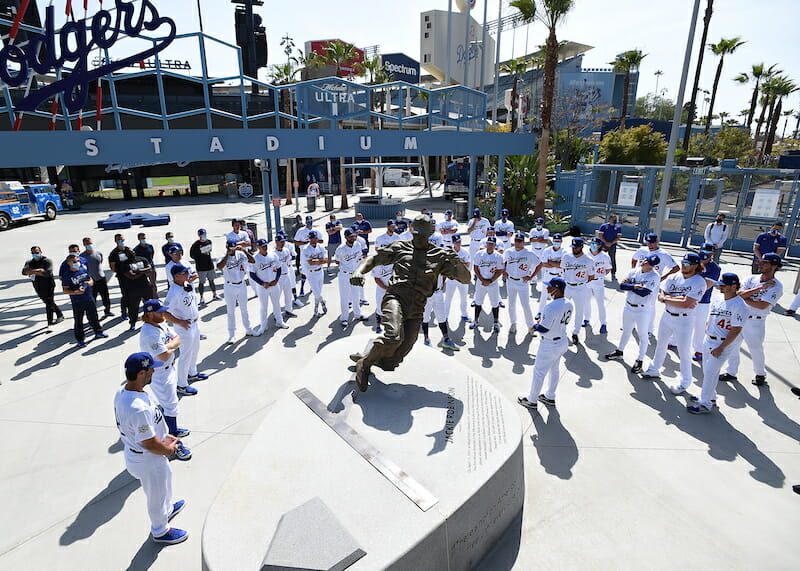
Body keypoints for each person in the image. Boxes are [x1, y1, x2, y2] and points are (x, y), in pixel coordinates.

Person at [347, 215, 471, 392]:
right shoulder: (401, 247)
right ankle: (364, 364)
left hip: (417, 308)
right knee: (393, 336)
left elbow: (466, 279)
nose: (418, 238)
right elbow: (374, 259)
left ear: (430, 233)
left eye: (422, 235)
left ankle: (372, 356)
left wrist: (456, 262)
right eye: (415, 234)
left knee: (393, 361)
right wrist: (358, 272)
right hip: (395, 299)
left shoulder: (439, 255)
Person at [114, 352, 188, 545]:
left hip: (149, 454)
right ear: (140, 373)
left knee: (166, 480)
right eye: (150, 369)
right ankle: (160, 530)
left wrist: (164, 437)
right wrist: (169, 449)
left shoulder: (124, 391)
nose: (154, 371)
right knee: (156, 494)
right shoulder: (136, 408)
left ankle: (168, 509)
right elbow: (149, 443)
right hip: (148, 458)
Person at [642, 254, 707, 395]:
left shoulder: (699, 282)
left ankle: (685, 382)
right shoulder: (674, 277)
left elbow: (687, 303)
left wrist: (668, 298)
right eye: (683, 262)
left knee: (683, 352)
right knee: (661, 345)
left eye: (688, 263)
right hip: (667, 316)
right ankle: (654, 369)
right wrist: (672, 298)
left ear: (696, 265)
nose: (684, 265)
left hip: (684, 320)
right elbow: (662, 293)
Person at [720, 253, 784, 386]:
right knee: (733, 345)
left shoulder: (777, 286)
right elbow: (738, 294)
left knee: (755, 349)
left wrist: (745, 297)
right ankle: (731, 372)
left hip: (756, 321)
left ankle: (760, 374)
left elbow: (762, 305)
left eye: (764, 262)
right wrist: (759, 289)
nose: (759, 264)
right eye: (760, 261)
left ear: (774, 266)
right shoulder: (751, 279)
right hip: (739, 318)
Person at [686, 273, 746, 414]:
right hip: (709, 340)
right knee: (707, 371)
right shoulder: (718, 299)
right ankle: (710, 397)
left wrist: (721, 347)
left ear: (733, 286)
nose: (721, 287)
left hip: (722, 344)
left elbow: (736, 330)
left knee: (710, 373)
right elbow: (712, 318)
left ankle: (705, 404)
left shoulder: (740, 306)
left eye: (724, 285)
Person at [139, 300, 192, 459]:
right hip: (160, 373)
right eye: (159, 312)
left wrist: (169, 346)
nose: (163, 314)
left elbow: (177, 338)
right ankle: (172, 440)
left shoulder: (159, 324)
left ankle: (172, 429)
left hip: (169, 369)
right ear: (149, 314)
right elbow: (163, 355)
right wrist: (170, 346)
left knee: (171, 403)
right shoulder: (149, 333)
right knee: (170, 405)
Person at [517, 278, 573, 410]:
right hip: (562, 341)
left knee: (539, 372)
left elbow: (544, 328)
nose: (547, 289)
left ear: (557, 289)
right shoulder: (569, 303)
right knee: (554, 370)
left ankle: (531, 400)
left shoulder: (550, 306)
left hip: (549, 344)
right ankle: (550, 396)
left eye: (550, 287)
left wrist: (535, 326)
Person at [605, 254, 661, 373]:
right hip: (628, 306)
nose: (645, 262)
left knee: (642, 335)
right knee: (626, 330)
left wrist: (631, 286)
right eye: (646, 260)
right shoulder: (635, 271)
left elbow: (644, 292)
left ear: (652, 266)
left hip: (643, 310)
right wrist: (634, 286)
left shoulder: (654, 276)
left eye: (648, 263)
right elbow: (621, 285)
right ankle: (619, 351)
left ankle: (640, 360)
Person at [164, 265, 204, 396]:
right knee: (185, 355)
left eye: (187, 271)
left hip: (194, 324)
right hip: (184, 327)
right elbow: (164, 312)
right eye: (184, 272)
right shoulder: (173, 292)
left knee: (195, 349)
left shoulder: (186, 284)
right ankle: (181, 385)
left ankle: (192, 373)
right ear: (176, 276)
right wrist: (179, 322)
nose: (188, 273)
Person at [631, 233, 679, 336]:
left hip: (653, 283)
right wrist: (633, 272)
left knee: (650, 306)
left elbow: (676, 268)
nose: (650, 245)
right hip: (639, 281)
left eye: (652, 242)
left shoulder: (663, 254)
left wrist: (663, 277)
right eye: (648, 242)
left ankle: (649, 329)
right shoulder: (642, 250)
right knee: (635, 302)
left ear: (657, 242)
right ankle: (633, 324)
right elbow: (634, 259)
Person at [421, 232, 459, 350]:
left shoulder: (442, 262)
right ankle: (426, 338)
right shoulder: (423, 261)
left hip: (438, 292)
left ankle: (446, 339)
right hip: (427, 294)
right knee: (425, 317)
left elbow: (446, 274)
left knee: (442, 317)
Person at [61, 254, 107, 347]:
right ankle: (80, 340)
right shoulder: (67, 276)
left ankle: (98, 332)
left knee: (94, 316)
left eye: (77, 261)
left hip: (89, 298)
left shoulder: (83, 269)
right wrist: (76, 292)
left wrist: (88, 283)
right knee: (79, 321)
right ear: (69, 263)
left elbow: (90, 280)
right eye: (74, 261)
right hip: (77, 301)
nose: (77, 263)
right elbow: (65, 290)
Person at [216, 241, 256, 343]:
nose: (233, 250)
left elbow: (253, 260)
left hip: (241, 284)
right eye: (231, 248)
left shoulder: (241, 254)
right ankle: (231, 335)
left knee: (244, 308)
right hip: (229, 285)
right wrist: (227, 254)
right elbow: (219, 266)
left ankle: (248, 329)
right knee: (231, 311)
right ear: (227, 247)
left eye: (234, 248)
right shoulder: (223, 256)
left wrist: (244, 250)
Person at [560, 237, 595, 344]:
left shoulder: (589, 260)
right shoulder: (566, 257)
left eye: (576, 247)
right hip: (567, 286)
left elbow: (591, 276)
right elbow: (562, 269)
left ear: (581, 247)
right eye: (573, 247)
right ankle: (561, 331)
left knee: (579, 311)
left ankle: (575, 332)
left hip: (580, 288)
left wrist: (580, 282)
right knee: (562, 309)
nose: (574, 249)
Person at [250, 239, 288, 334]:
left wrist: (276, 280)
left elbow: (279, 268)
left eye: (265, 245)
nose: (265, 247)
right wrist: (261, 283)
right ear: (258, 247)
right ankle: (263, 326)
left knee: (277, 304)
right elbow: (252, 274)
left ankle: (279, 321)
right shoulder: (255, 258)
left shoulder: (273, 255)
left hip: (274, 284)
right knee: (264, 307)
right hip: (263, 287)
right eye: (262, 246)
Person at [691, 245, 722, 362]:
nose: (703, 259)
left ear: (712, 254)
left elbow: (706, 285)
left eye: (707, 256)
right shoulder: (694, 261)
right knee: (681, 321)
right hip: (687, 297)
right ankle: (673, 341)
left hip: (703, 301)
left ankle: (699, 350)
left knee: (699, 326)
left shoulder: (715, 268)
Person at [503, 232, 537, 335]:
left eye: (520, 241)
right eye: (516, 241)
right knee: (511, 304)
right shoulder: (508, 252)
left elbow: (539, 264)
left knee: (525, 305)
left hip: (523, 282)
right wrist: (503, 271)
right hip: (511, 281)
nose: (518, 243)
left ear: (523, 242)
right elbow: (502, 263)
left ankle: (530, 326)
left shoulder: (529, 253)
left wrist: (531, 276)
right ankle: (513, 323)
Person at [22, 246, 65, 326]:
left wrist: (32, 271)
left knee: (49, 303)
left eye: (37, 252)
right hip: (37, 286)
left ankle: (50, 323)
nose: (35, 254)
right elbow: (24, 272)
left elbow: (47, 273)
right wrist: (39, 271)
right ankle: (59, 315)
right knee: (49, 302)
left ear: (41, 251)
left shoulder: (47, 261)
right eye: (33, 253)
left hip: (49, 285)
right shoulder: (29, 262)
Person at [334, 229, 367, 328]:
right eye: (351, 236)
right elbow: (337, 261)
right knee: (345, 297)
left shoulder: (358, 245)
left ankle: (357, 314)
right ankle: (344, 318)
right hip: (344, 275)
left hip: (355, 274)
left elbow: (360, 257)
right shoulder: (340, 249)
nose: (353, 238)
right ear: (346, 237)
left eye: (354, 236)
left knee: (356, 295)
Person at [470, 236, 504, 332]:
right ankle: (476, 321)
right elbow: (476, 268)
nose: (490, 246)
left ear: (495, 245)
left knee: (495, 303)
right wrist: (482, 280)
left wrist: (490, 281)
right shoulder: (479, 254)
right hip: (481, 282)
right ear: (486, 244)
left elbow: (500, 270)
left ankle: (496, 322)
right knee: (478, 302)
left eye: (492, 244)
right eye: (489, 243)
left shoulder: (499, 256)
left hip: (493, 283)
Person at [122, 252, 158, 331]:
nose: (131, 253)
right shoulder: (125, 263)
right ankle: (132, 323)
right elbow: (131, 276)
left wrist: (138, 271)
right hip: (133, 288)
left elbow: (149, 269)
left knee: (150, 304)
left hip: (145, 286)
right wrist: (143, 272)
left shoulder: (142, 259)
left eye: (132, 252)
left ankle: (150, 320)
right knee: (133, 307)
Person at [585, 238, 612, 334]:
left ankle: (603, 323)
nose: (593, 245)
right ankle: (586, 319)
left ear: (600, 245)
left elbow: (608, 268)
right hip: (587, 281)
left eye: (595, 244)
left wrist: (602, 274)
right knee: (586, 302)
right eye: (592, 243)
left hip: (598, 282)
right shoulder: (585, 255)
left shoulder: (604, 256)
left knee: (600, 304)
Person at [81, 237, 112, 317]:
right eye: (87, 244)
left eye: (90, 243)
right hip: (91, 281)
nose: (89, 245)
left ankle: (107, 311)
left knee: (105, 296)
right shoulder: (82, 257)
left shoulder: (98, 253)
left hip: (101, 278)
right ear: (84, 244)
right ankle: (94, 315)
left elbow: (100, 262)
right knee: (92, 299)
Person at [274, 232, 303, 317]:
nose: (282, 243)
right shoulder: (273, 254)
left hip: (286, 275)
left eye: (283, 241)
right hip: (278, 277)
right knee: (276, 297)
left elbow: (289, 260)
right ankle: (276, 315)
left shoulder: (286, 250)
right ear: (276, 242)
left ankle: (288, 310)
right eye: (280, 241)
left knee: (288, 294)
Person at [300, 231, 329, 317]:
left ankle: (315, 310)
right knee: (316, 292)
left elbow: (326, 259)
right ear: (309, 239)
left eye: (315, 237)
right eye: (312, 238)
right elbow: (311, 263)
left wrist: (318, 261)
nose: (314, 239)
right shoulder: (305, 249)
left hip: (320, 271)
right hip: (311, 273)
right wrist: (320, 261)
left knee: (318, 292)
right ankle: (322, 302)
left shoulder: (320, 247)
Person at [444, 235, 472, 323]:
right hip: (452, 279)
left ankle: (464, 315)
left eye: (459, 242)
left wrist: (456, 264)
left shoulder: (465, 252)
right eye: (456, 242)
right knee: (448, 298)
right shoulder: (449, 252)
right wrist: (459, 264)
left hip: (462, 278)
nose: (458, 243)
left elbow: (468, 264)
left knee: (464, 298)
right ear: (453, 243)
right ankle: (445, 316)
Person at [535, 233, 564, 316]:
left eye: (558, 241)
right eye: (555, 241)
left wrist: (550, 262)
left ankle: (556, 313)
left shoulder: (564, 251)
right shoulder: (547, 250)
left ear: (561, 241)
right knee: (544, 295)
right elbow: (544, 264)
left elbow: (562, 265)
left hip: (559, 276)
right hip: (548, 275)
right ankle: (540, 312)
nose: (556, 242)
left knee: (558, 295)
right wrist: (556, 263)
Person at [108, 234, 135, 319]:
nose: (120, 241)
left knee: (134, 294)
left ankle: (133, 311)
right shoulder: (113, 253)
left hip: (132, 275)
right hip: (122, 277)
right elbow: (112, 268)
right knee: (125, 295)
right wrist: (121, 270)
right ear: (115, 241)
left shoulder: (128, 250)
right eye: (118, 240)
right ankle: (124, 312)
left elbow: (135, 259)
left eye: (122, 239)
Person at [190, 228, 219, 305]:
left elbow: (210, 250)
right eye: (202, 235)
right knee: (201, 283)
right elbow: (192, 255)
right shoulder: (195, 245)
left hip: (209, 265)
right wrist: (200, 253)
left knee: (211, 280)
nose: (203, 236)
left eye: (204, 234)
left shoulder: (209, 241)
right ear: (199, 235)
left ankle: (215, 294)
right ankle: (202, 297)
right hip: (201, 267)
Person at [293, 215, 315, 296]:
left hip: (313, 253)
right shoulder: (301, 231)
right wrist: (304, 243)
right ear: (306, 222)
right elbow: (295, 241)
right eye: (308, 222)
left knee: (312, 271)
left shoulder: (315, 230)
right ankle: (302, 288)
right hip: (304, 254)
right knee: (304, 271)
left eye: (311, 222)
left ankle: (312, 286)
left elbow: (321, 240)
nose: (310, 224)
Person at [596, 213, 622, 280]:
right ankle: (597, 271)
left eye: (615, 219)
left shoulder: (618, 227)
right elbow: (600, 235)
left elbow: (618, 237)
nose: (615, 220)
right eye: (613, 219)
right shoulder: (603, 226)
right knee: (599, 257)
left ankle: (613, 273)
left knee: (612, 259)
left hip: (612, 245)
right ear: (609, 219)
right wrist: (606, 242)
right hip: (603, 244)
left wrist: (611, 243)